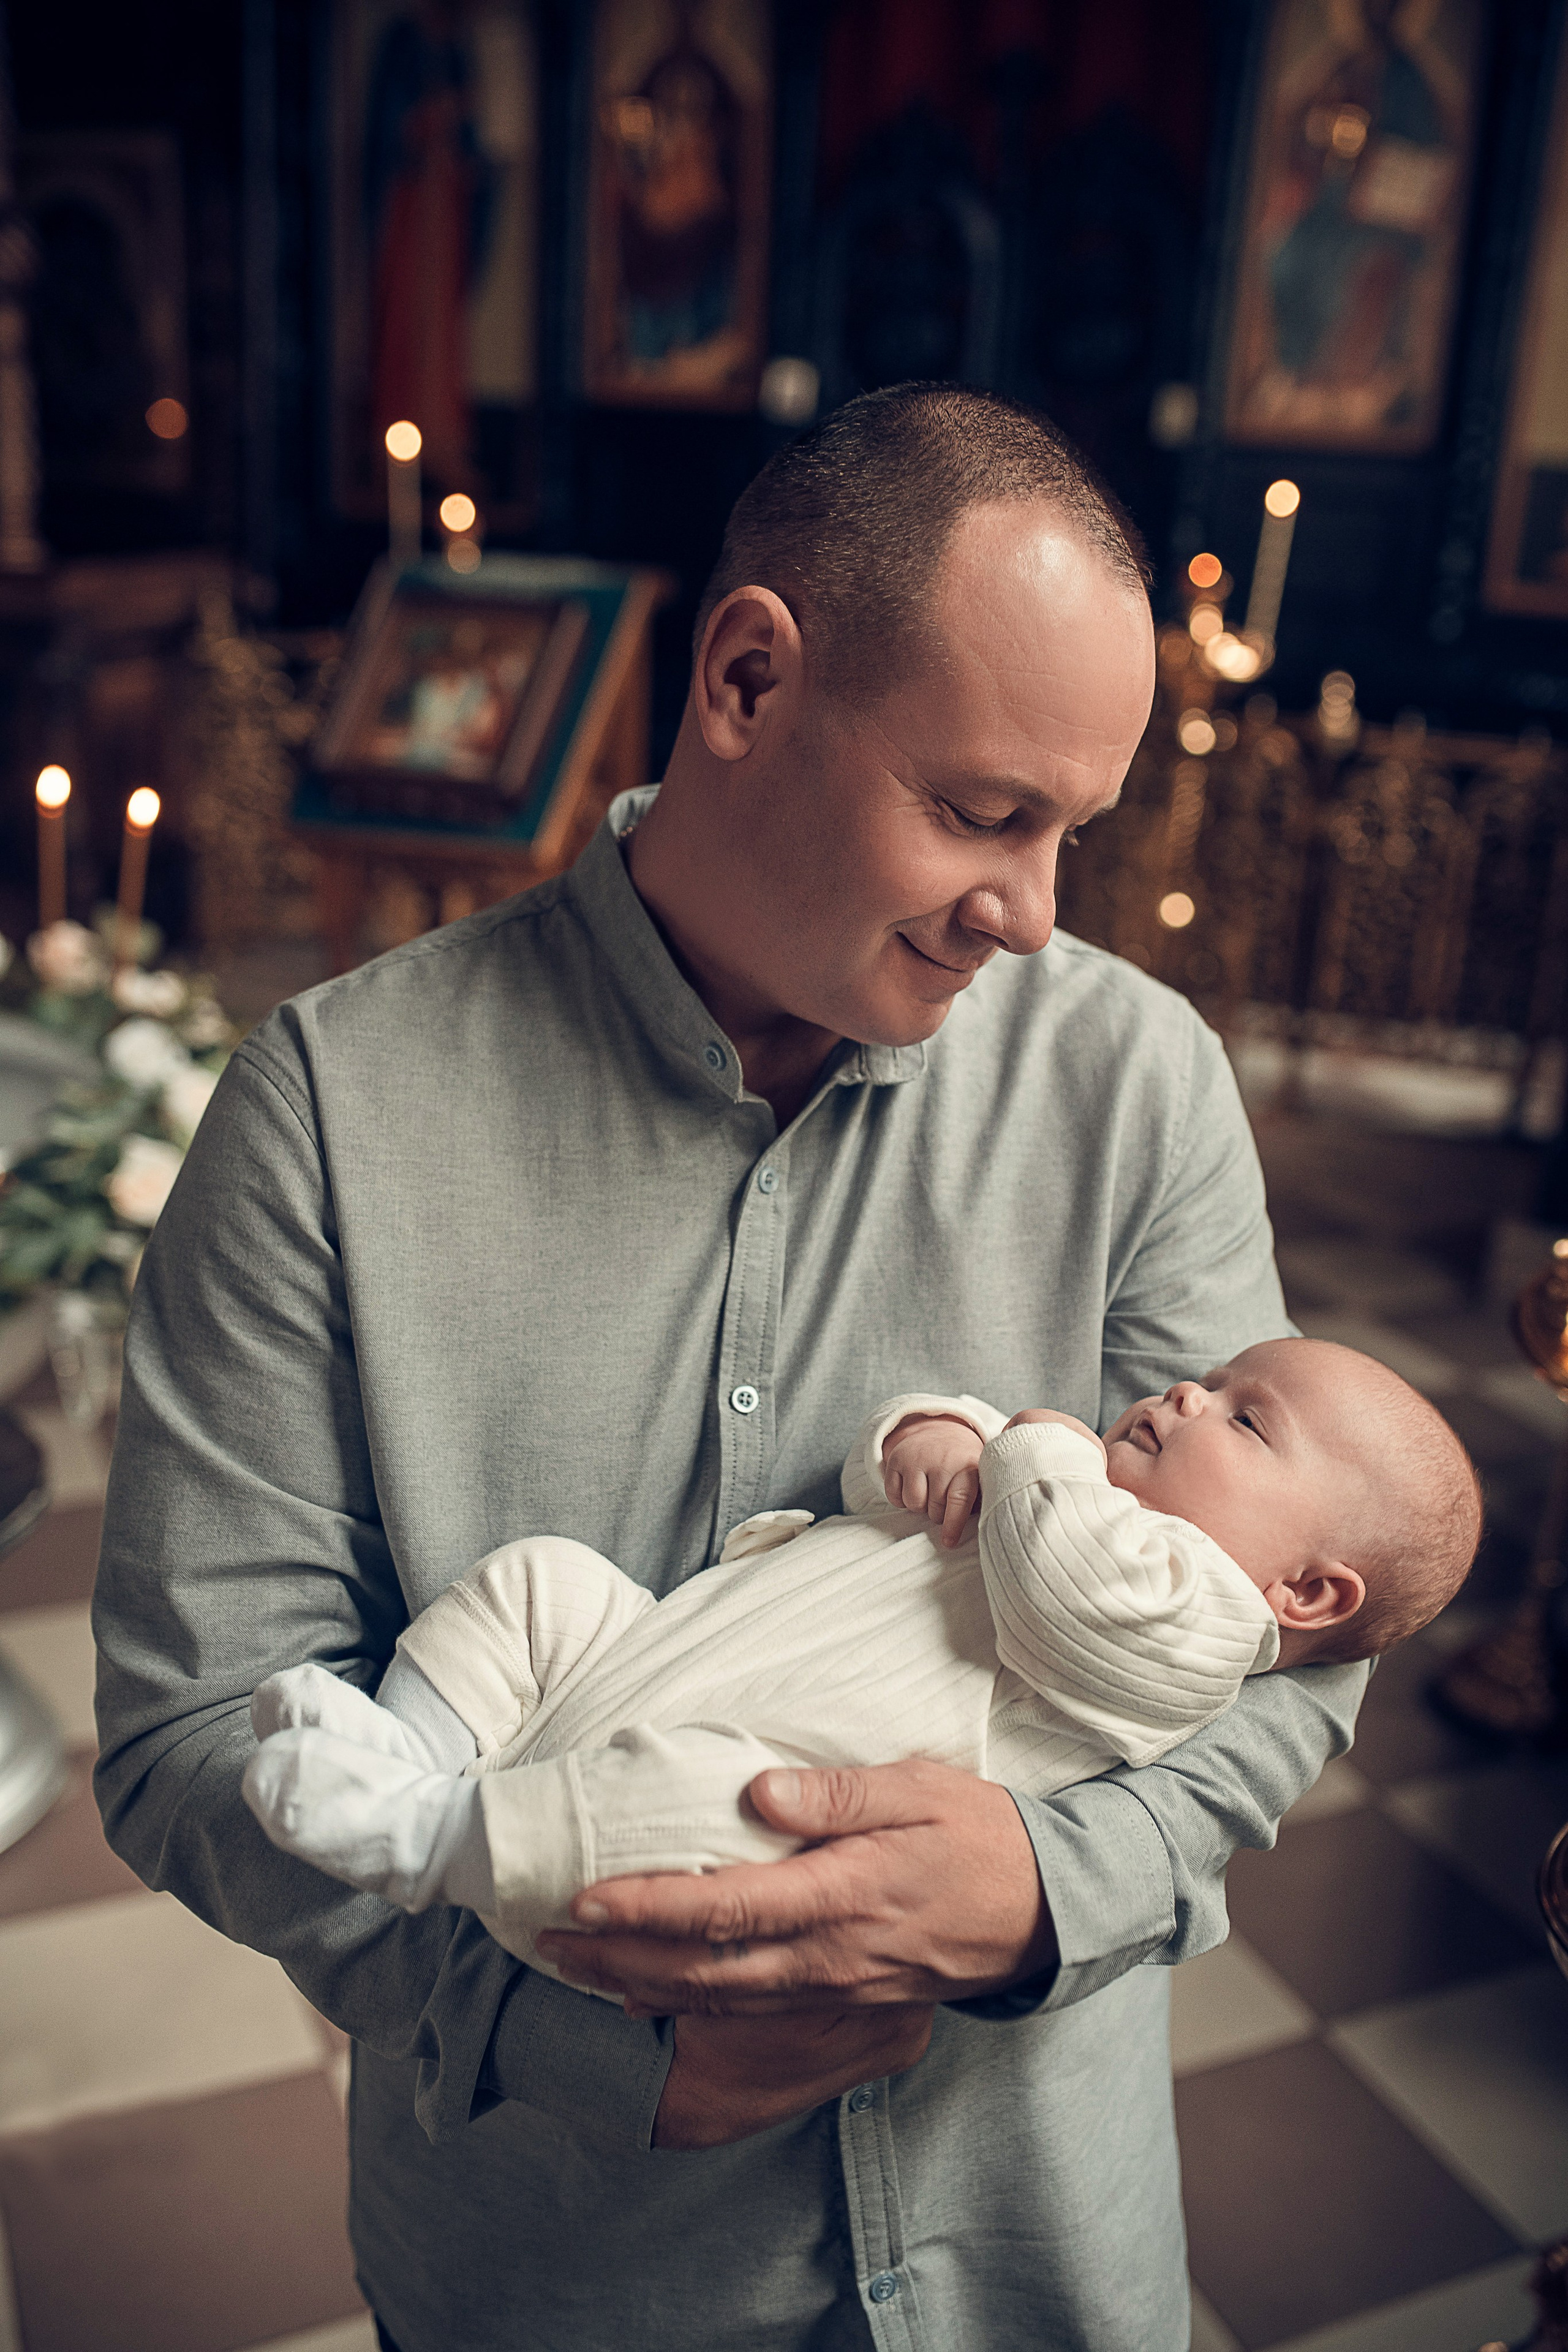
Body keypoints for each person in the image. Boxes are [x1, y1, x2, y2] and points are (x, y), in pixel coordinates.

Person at [94, 383, 1373, 2352]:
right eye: (981, 813)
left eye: (1072, 834)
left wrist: (1039, 1890)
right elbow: (195, 1736)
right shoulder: (334, 1114)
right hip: (571, 2270)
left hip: (1034, 2257)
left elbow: (1302, 1632)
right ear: (751, 682)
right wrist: (586, 2045)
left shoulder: (1133, 1084)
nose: (1034, 916)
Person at [239, 1341, 1479, 1962]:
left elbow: (1068, 1585)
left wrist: (1031, 1436)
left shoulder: (1193, 1616)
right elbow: (890, 1487)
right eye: (1208, 1379)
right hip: (655, 1653)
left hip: (743, 1785)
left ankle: (424, 1843)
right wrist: (932, 1434)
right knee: (540, 1585)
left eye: (1243, 1420)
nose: (1184, 1398)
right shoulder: (1054, 1492)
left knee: (710, 1800)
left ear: (1305, 1591)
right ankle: (409, 1752)